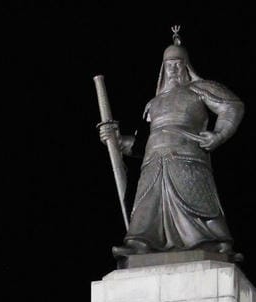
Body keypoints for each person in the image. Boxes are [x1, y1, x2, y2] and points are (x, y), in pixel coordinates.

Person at [99, 27, 245, 261]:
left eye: (178, 63)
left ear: (186, 66)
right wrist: (115, 140)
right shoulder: (154, 103)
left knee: (195, 201)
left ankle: (214, 244)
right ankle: (140, 243)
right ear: (163, 69)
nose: (174, 68)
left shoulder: (199, 89)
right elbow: (139, 144)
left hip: (187, 155)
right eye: (169, 64)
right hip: (154, 160)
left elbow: (232, 106)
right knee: (148, 206)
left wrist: (218, 134)